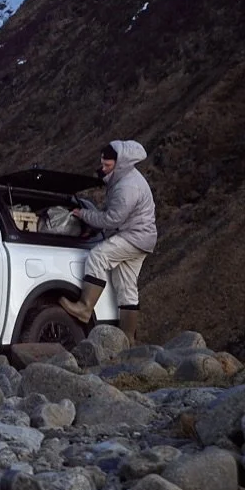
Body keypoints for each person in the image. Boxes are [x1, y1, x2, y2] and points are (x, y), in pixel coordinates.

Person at [59, 140, 157, 345]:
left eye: (107, 165)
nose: (102, 168)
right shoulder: (124, 175)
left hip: (134, 236)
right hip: (143, 237)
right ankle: (129, 339)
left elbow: (111, 220)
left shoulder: (127, 187)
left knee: (98, 256)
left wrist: (84, 214)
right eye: (102, 164)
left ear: (119, 163)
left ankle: (85, 308)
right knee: (126, 286)